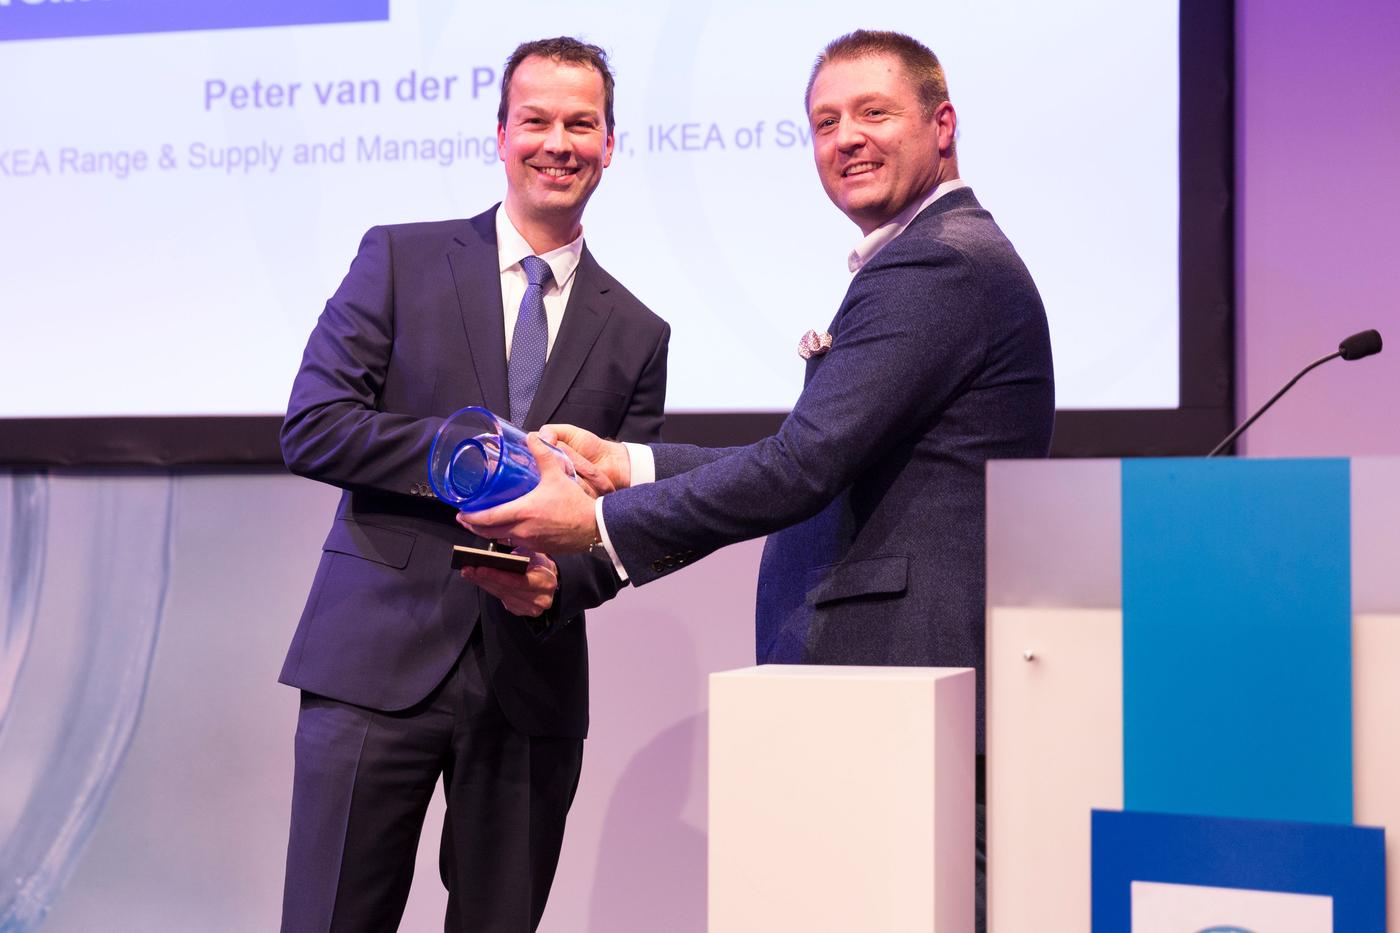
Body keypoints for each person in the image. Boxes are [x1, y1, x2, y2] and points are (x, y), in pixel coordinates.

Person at [459, 30, 1054, 932]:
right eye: (824, 122)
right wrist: (628, 463)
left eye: (873, 112)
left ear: (943, 124)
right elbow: (819, 450)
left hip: (899, 669)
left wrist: (598, 524)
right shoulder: (932, 255)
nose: (845, 137)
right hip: (884, 678)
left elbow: (804, 465)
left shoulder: (938, 262)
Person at [277, 37, 669, 933]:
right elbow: (313, 424)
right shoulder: (400, 259)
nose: (557, 142)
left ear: (611, 144)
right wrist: (474, 457)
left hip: (528, 683)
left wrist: (555, 584)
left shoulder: (640, 331)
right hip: (374, 656)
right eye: (536, 120)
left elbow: (626, 520)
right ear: (500, 134)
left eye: (582, 123)